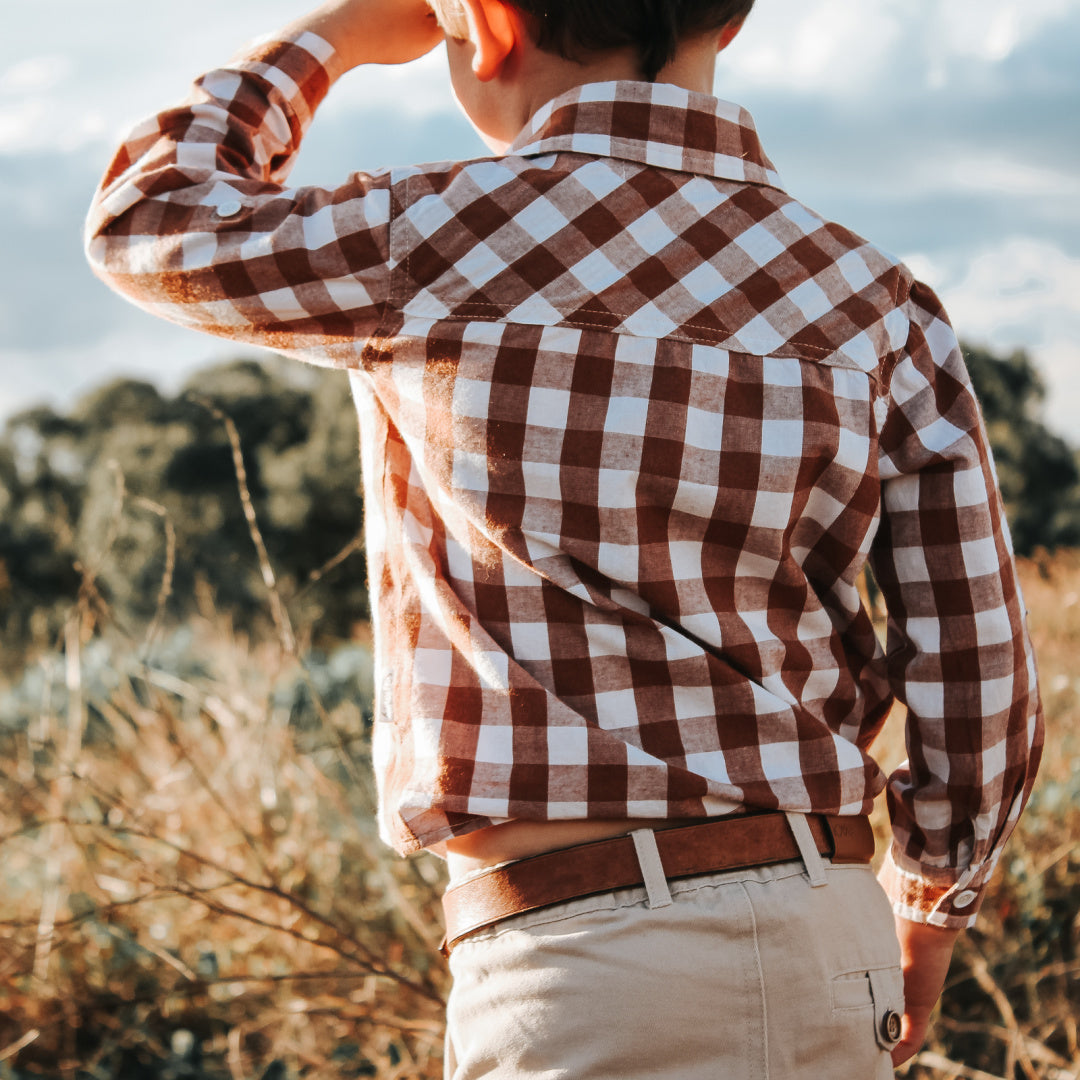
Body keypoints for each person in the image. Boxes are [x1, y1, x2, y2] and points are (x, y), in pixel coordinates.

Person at [85, 1, 1043, 1076]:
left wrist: (340, 35)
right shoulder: (878, 305)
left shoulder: (428, 240)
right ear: (729, 22)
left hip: (575, 958)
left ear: (487, 24)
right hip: (827, 924)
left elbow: (148, 216)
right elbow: (978, 667)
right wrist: (929, 912)